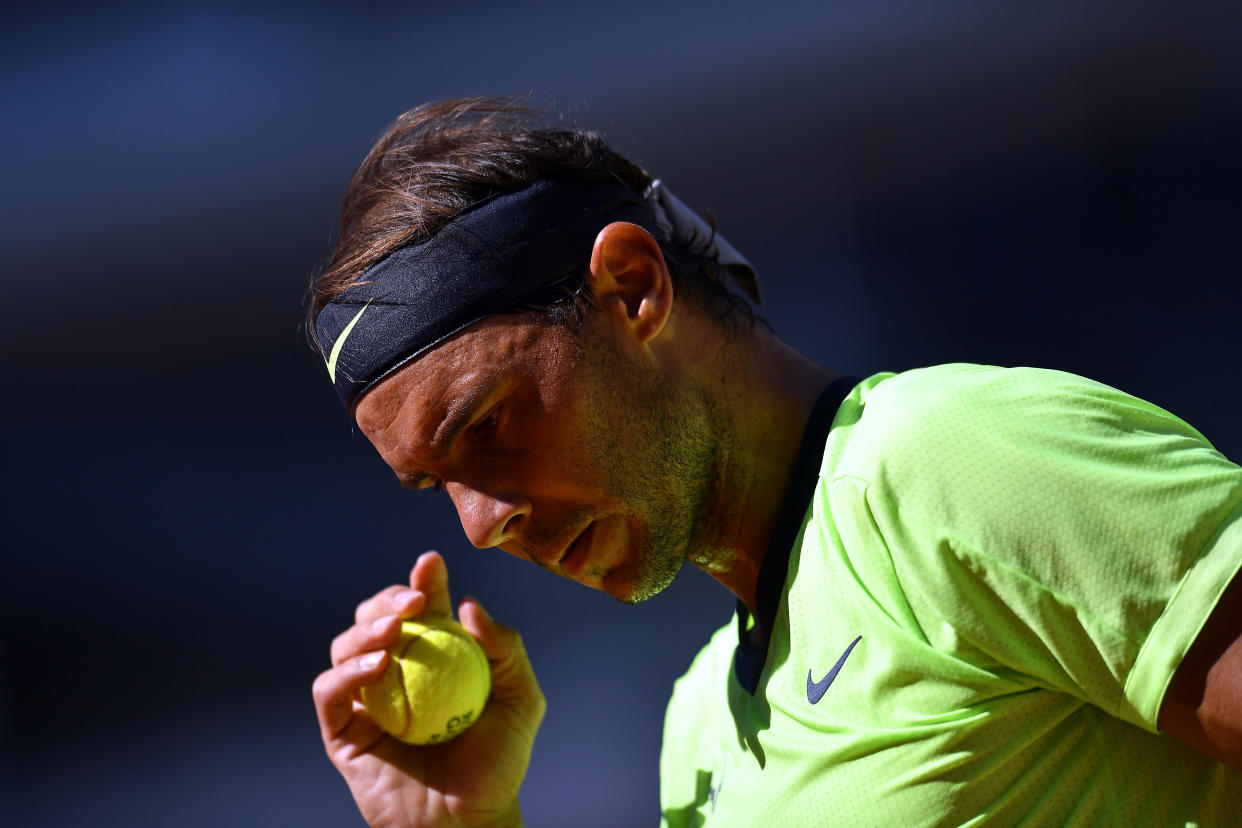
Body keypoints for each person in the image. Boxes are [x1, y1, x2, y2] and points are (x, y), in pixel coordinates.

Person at [308, 97, 1242, 826]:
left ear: (632, 289)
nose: (481, 524)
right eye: (438, 485)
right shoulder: (697, 733)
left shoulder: (938, 463)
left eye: (487, 425)